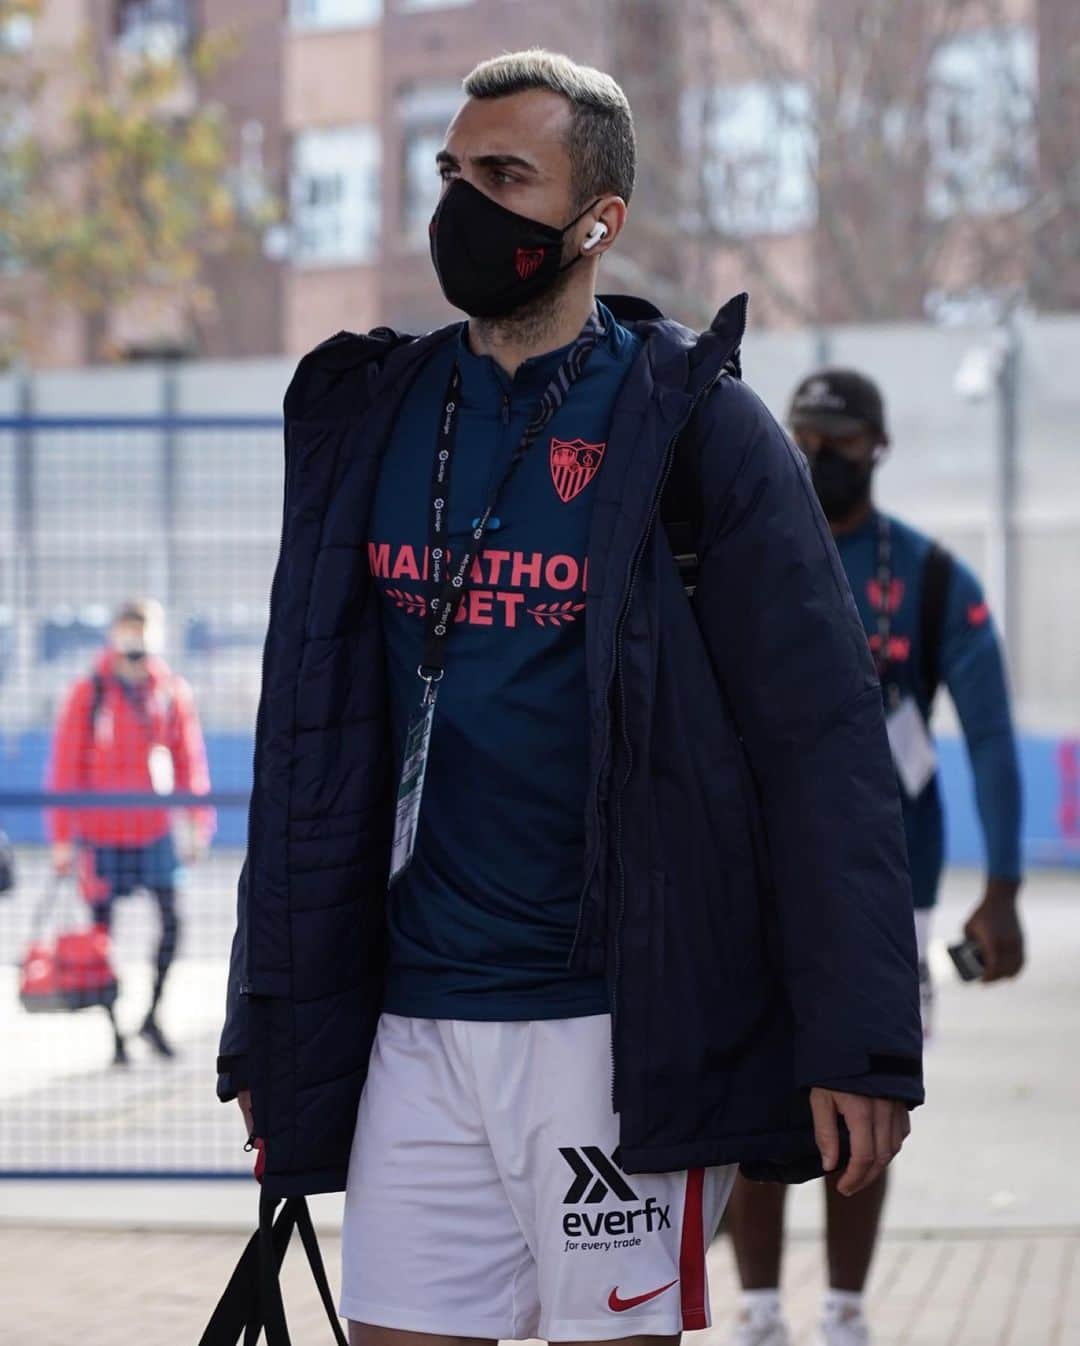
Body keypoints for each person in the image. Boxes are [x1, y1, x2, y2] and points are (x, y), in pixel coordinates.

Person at [218, 52, 924, 1346]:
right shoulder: (371, 416)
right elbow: (303, 748)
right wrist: (270, 1021)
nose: (463, 207)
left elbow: (823, 746)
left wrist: (861, 1038)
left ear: (595, 221)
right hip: (411, 1028)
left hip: (611, 1031)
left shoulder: (698, 428)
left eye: (505, 176)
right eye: (451, 174)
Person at [726, 369, 1025, 1346]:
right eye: (804, 434)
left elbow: (986, 735)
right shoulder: (745, 558)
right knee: (752, 1097)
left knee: (868, 1093)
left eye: (841, 439)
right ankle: (760, 1310)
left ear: (879, 448)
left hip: (887, 896)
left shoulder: (934, 579)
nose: (818, 455)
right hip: (756, 882)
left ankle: (846, 1312)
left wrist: (1006, 887)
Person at [48, 598, 214, 1065]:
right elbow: (66, 768)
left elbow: (189, 761)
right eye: (127, 631)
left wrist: (198, 822)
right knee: (103, 936)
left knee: (172, 923)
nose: (134, 642)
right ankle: (115, 1031)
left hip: (154, 830)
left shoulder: (170, 692)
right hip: (101, 835)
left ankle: (152, 1016)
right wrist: (63, 837)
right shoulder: (89, 692)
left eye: (142, 632)